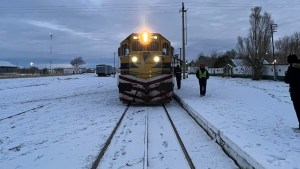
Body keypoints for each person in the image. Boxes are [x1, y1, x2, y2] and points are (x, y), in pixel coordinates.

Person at [284, 54, 300, 129]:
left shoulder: (291, 68)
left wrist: (286, 75)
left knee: (298, 110)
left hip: (296, 93)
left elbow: (287, 80)